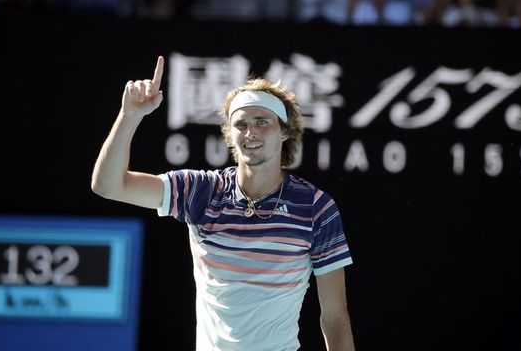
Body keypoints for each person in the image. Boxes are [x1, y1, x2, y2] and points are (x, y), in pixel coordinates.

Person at [91, 56, 355, 351]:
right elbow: (108, 186)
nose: (250, 132)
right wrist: (129, 117)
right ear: (230, 135)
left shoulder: (316, 208)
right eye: (240, 124)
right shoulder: (200, 190)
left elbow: (334, 317)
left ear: (284, 131)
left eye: (261, 122)